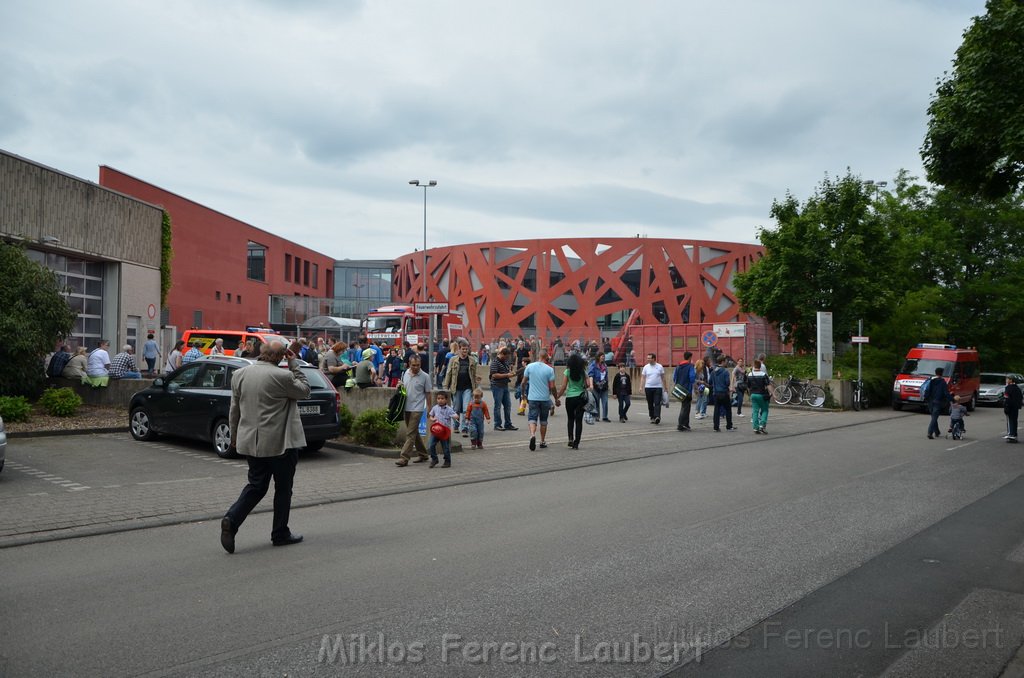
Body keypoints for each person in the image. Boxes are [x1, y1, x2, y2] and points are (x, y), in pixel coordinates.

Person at [220, 340, 310, 553]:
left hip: (252, 441)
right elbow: (305, 390)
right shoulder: (283, 376)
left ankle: (231, 520)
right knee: (283, 489)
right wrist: (294, 363)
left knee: (256, 486)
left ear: (262, 353)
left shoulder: (240, 375)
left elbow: (234, 410)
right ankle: (280, 533)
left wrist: (233, 436)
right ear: (280, 357)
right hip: (281, 444)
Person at [396, 355, 432, 467]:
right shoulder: (405, 373)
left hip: (418, 408)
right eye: (413, 365)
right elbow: (403, 388)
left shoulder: (425, 376)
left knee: (410, 433)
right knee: (414, 433)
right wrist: (399, 386)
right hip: (406, 406)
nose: (415, 367)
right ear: (409, 364)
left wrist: (429, 408)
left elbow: (428, 393)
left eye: (418, 365)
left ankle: (404, 457)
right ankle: (423, 454)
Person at [522, 348, 560, 450]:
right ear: (546, 357)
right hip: (544, 399)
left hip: (533, 398)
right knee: (543, 421)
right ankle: (542, 441)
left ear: (539, 356)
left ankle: (532, 435)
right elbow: (552, 387)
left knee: (532, 418)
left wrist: (523, 394)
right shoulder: (549, 369)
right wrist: (556, 399)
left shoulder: (529, 366)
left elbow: (523, 383)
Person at [443, 340, 478, 437]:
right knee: (456, 408)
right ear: (459, 349)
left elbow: (474, 375)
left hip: (468, 387)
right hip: (456, 387)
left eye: (466, 349)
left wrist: (475, 388)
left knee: (466, 408)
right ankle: (456, 426)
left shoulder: (472, 360)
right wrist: (446, 386)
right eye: (463, 349)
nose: (465, 351)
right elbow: (448, 373)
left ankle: (464, 427)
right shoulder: (453, 360)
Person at [557, 352, 591, 449]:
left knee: (570, 419)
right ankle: (576, 443)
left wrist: (557, 397)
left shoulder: (567, 372)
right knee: (579, 421)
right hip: (580, 397)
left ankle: (570, 438)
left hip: (570, 398)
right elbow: (588, 384)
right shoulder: (583, 372)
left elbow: (563, 386)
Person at [489, 346, 517, 431]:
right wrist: (507, 375)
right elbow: (494, 375)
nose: (506, 358)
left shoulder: (505, 361)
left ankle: (508, 424)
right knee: (497, 406)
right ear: (501, 354)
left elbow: (506, 371)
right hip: (497, 386)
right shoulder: (495, 362)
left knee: (508, 405)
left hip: (505, 385)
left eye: (507, 357)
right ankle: (497, 424)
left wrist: (510, 373)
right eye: (505, 356)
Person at [426, 391, 457, 467]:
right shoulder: (435, 408)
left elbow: (455, 415)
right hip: (436, 431)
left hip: (444, 432)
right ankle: (434, 459)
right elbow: (430, 416)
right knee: (431, 445)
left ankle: (447, 461)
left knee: (445, 448)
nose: (440, 400)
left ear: (446, 400)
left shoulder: (449, 409)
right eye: (438, 398)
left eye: (442, 398)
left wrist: (455, 416)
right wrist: (432, 419)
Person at [924, 367, 951, 439]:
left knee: (933, 417)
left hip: (930, 401)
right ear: (942, 373)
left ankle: (937, 432)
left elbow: (926, 391)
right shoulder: (942, 382)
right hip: (938, 401)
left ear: (935, 372)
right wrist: (952, 400)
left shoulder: (930, 380)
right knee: (934, 418)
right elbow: (946, 393)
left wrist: (926, 398)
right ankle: (930, 433)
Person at [641, 353, 668, 424]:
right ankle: (652, 416)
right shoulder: (646, 367)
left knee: (657, 403)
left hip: (658, 387)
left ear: (654, 359)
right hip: (648, 387)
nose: (648, 359)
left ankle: (657, 417)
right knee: (650, 403)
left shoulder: (659, 366)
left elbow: (663, 377)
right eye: (647, 358)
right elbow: (643, 377)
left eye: (649, 358)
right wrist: (641, 386)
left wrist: (665, 387)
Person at [710, 356, 735, 432]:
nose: (727, 362)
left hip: (716, 393)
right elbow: (727, 382)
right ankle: (729, 426)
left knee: (716, 410)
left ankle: (716, 427)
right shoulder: (725, 371)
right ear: (723, 362)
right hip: (724, 392)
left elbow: (710, 381)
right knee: (728, 409)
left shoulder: (713, 372)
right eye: (726, 361)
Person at [746, 359, 772, 434]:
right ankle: (762, 425)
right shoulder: (763, 374)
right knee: (764, 410)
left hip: (753, 395)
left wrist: (749, 394)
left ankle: (755, 427)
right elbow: (768, 385)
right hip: (762, 395)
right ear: (760, 366)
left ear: (754, 366)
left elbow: (748, 386)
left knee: (755, 411)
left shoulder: (750, 374)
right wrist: (773, 393)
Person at [674, 351, 696, 431]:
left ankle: (686, 424)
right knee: (685, 407)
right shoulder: (690, 366)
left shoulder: (678, 366)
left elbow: (674, 378)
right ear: (690, 357)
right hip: (687, 389)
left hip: (679, 389)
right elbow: (692, 377)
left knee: (684, 406)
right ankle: (681, 424)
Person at [588, 353, 611, 422]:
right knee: (596, 402)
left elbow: (606, 376)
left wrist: (607, 384)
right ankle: (596, 416)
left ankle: (605, 416)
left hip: (604, 386)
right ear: (598, 357)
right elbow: (591, 375)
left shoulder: (605, 365)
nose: (603, 358)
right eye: (602, 356)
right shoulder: (593, 365)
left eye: (604, 356)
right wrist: (591, 385)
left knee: (605, 401)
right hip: (596, 385)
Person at [1004, 376, 1022, 443]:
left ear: (1011, 380)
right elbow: (1020, 397)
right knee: (1014, 420)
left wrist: (1006, 407)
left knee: (1010, 421)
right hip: (1015, 407)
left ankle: (1011, 435)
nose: (1006, 380)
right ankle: (1014, 434)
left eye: (1007, 379)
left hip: (1010, 407)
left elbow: (1007, 398)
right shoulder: (1017, 388)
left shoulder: (1008, 388)